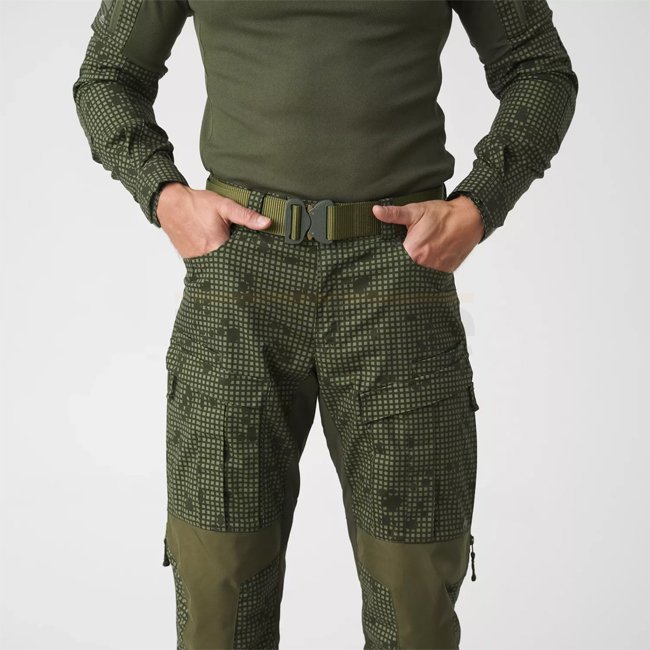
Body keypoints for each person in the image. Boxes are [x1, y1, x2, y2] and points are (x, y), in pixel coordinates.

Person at [72, 1, 578, 648]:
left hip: (397, 279)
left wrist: (479, 205)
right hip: (238, 277)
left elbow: (538, 67)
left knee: (415, 604)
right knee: (219, 600)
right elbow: (108, 75)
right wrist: (163, 193)